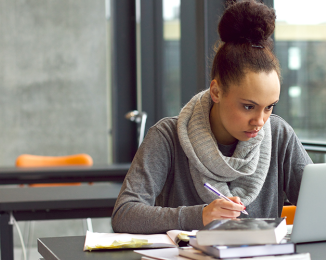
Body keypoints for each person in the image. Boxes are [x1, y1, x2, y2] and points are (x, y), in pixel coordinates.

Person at [111, 0, 313, 234]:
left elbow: (323, 204)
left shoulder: (279, 135)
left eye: (269, 107)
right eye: (248, 107)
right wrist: (201, 215)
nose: (260, 121)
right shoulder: (167, 137)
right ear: (216, 92)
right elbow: (124, 215)